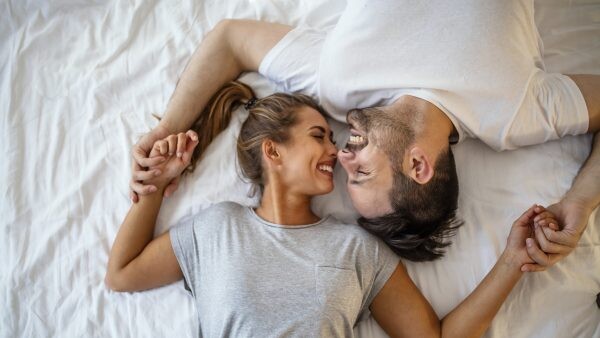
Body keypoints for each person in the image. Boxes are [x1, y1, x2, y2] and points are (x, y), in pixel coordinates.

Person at [129, 1, 600, 263]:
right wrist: (580, 202)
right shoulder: (515, 114)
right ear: (417, 165)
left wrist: (170, 127)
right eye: (361, 173)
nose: (341, 158)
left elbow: (230, 38)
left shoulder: (336, 89)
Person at [107, 82, 559, 337]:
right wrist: (158, 184)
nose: (334, 147)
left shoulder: (358, 250)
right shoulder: (215, 228)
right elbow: (122, 273)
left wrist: (511, 263)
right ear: (274, 151)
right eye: (318, 135)